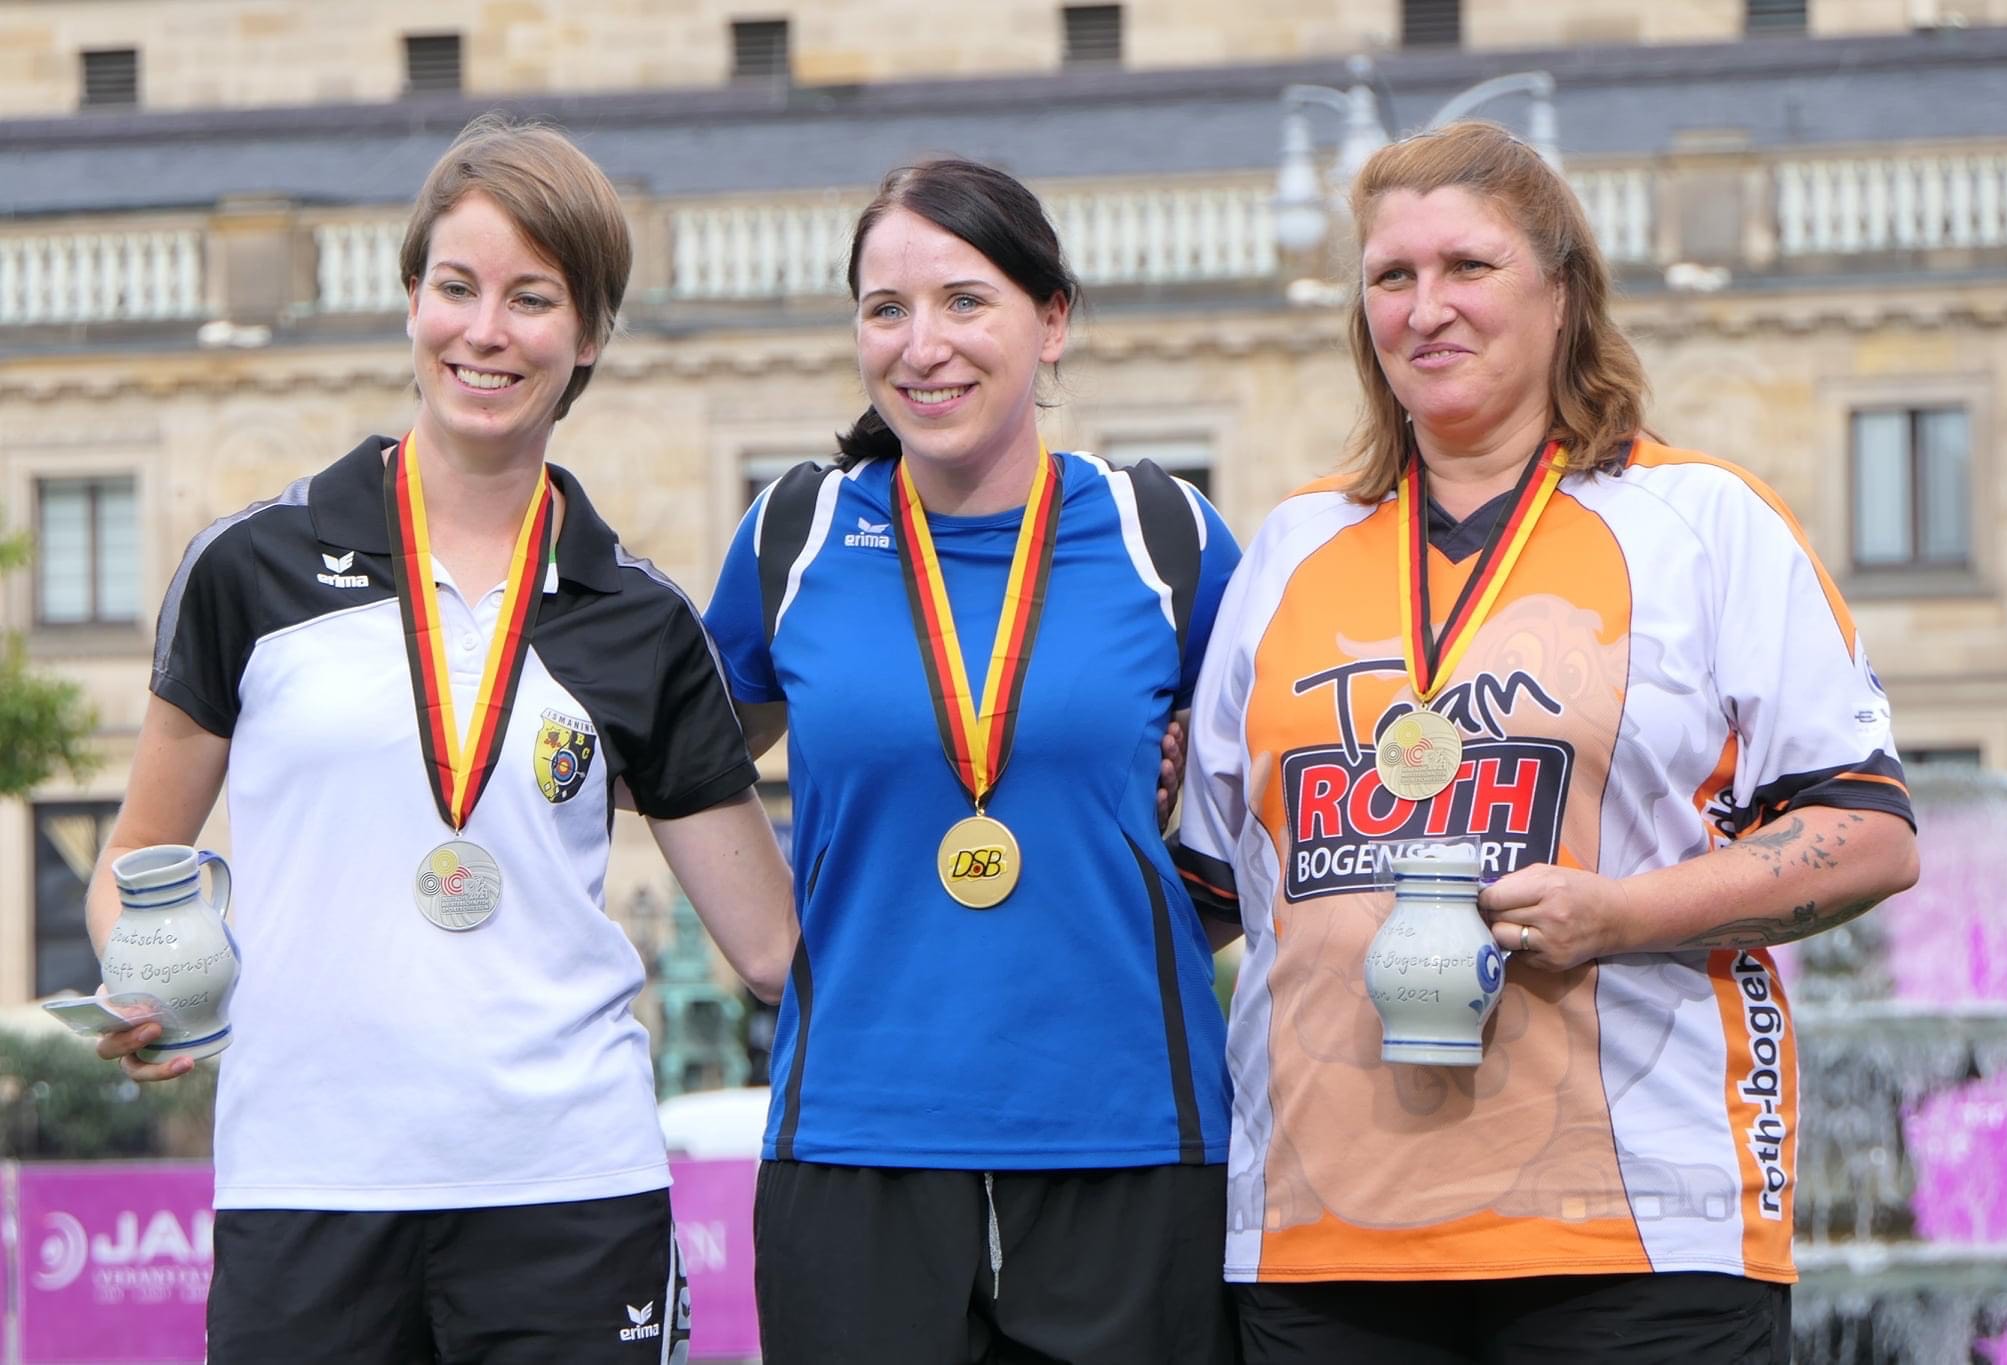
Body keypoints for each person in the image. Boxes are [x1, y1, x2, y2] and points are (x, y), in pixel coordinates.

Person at [1173, 120, 1919, 1364]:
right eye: (1390, 276)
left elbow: (1866, 834)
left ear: (1562, 293)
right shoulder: (1291, 547)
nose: (1424, 308)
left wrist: (1617, 916)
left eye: (1466, 267)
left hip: (1637, 1232)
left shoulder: (1701, 522)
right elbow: (1201, 887)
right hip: (1320, 1234)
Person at [86, 114, 795, 1363]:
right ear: (410, 297)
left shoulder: (639, 619)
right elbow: (136, 859)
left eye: (533, 298)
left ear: (588, 334)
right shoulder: (250, 570)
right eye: (457, 287)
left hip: (570, 1190)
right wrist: (143, 982)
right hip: (305, 1186)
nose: (486, 331)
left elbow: (774, 950)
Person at [703, 157, 1242, 1364]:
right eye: (884, 309)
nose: (921, 346)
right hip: (854, 1142)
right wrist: (768, 939)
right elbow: (681, 762)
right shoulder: (795, 533)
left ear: (1050, 322)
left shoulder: (1163, 534)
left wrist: (1172, 904)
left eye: (963, 301)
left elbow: (1275, 780)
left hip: (1130, 1139)